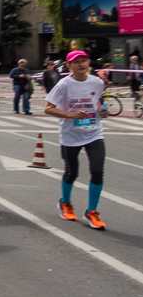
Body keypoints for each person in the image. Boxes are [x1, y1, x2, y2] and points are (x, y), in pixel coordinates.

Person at [45, 50, 109, 230]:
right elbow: (48, 109)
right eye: (77, 62)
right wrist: (71, 114)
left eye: (84, 61)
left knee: (97, 170)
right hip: (70, 134)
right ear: (69, 65)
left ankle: (92, 211)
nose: (81, 64)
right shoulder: (63, 85)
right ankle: (65, 202)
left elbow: (97, 102)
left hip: (94, 132)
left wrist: (102, 111)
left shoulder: (97, 82)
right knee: (72, 172)